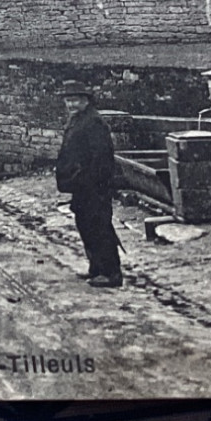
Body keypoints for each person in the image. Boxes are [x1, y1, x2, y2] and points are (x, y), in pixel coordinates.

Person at [55, 80, 122, 289]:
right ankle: (96, 268)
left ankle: (111, 273)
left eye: (75, 100)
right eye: (68, 100)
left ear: (86, 100)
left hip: (94, 185)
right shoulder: (77, 120)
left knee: (99, 227)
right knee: (85, 226)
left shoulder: (94, 122)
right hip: (82, 186)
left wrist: (86, 180)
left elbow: (101, 157)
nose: (71, 104)